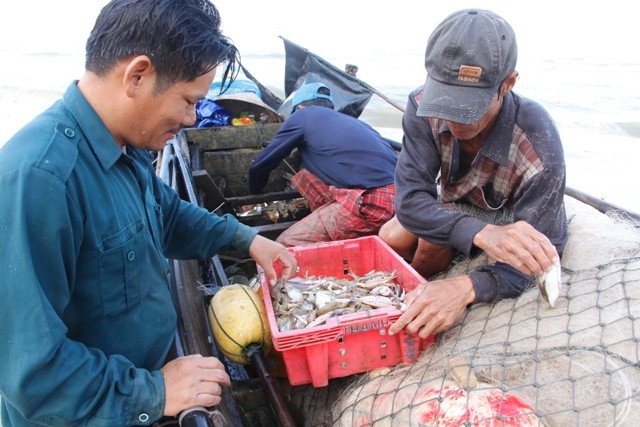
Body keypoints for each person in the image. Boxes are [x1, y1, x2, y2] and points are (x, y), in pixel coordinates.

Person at [0, 1, 297, 426]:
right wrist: (155, 391)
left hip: (151, 377)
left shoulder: (127, 142)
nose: (194, 118)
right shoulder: (38, 180)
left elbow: (167, 213)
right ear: (137, 76)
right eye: (189, 101)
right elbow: (32, 374)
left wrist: (247, 239)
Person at [382, 9, 568, 340]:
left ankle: (424, 298)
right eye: (444, 101)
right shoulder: (420, 106)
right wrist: (479, 232)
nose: (453, 121)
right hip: (460, 207)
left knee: (429, 245)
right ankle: (403, 299)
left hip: (507, 216)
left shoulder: (539, 146)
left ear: (508, 83)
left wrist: (466, 286)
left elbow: (544, 250)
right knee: (389, 237)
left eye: (468, 107)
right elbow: (410, 201)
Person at [248, 82, 398, 246]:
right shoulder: (355, 123)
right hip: (401, 202)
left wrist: (255, 192)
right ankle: (330, 221)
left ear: (299, 108)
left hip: (371, 204)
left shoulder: (303, 115)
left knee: (284, 245)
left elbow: (261, 164)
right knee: (305, 175)